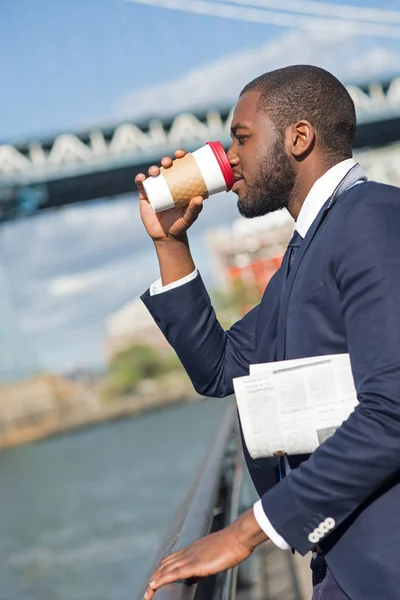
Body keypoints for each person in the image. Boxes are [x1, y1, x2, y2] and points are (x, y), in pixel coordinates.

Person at [136, 65, 400, 600]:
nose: (227, 158)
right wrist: (170, 242)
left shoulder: (371, 220)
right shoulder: (305, 255)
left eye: (241, 138)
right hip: (345, 563)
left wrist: (243, 531)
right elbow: (219, 370)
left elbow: (392, 411)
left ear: (299, 137)